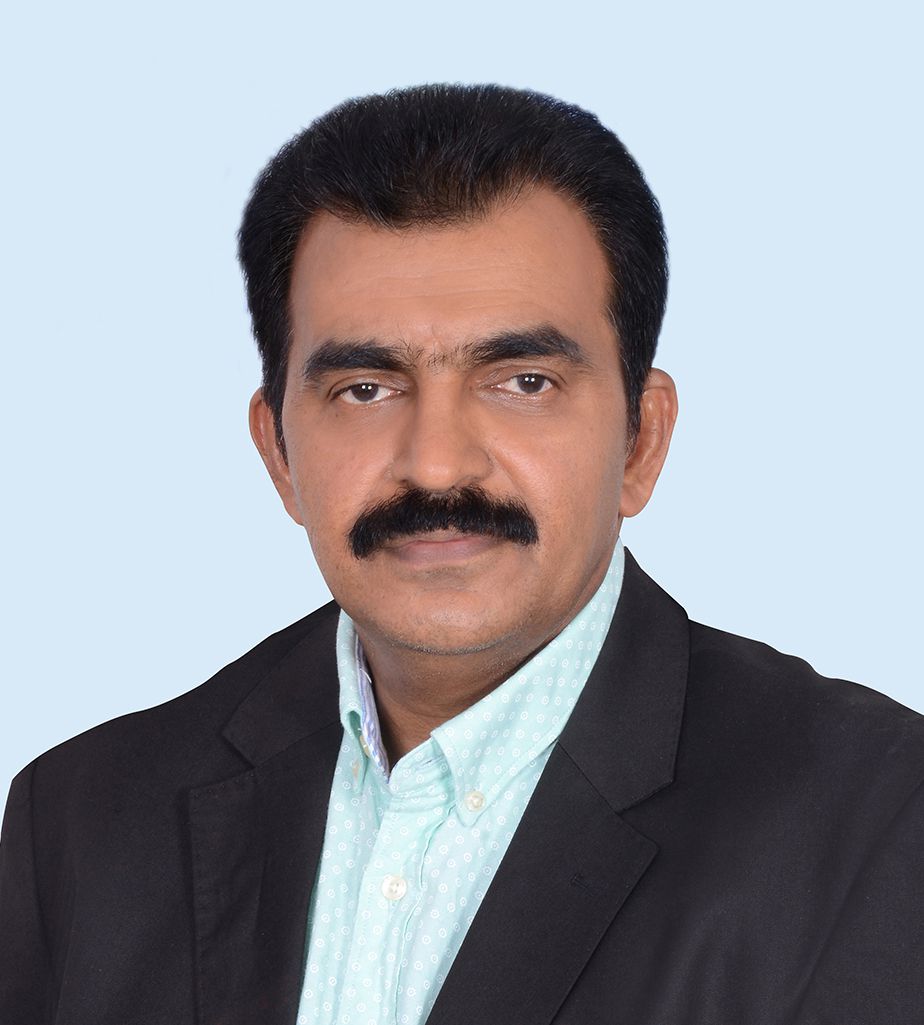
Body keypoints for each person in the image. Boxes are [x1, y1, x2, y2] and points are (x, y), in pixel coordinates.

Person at [1, 84, 921, 1025]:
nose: (437, 463)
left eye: (523, 380)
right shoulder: (78, 822)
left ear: (641, 441)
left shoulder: (881, 823)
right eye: (365, 388)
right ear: (278, 452)